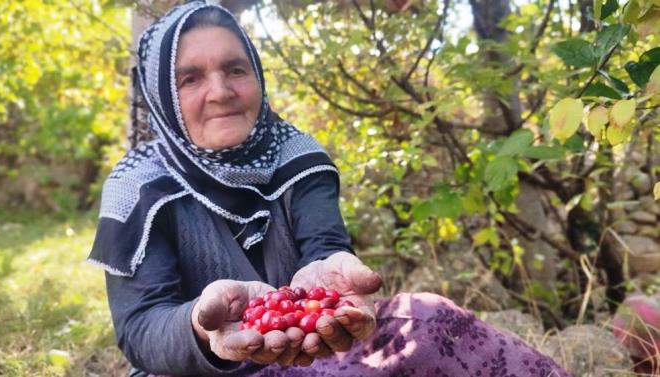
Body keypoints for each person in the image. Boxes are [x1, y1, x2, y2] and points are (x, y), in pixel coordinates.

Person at [88, 2, 571, 376]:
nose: (220, 91)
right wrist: (200, 325)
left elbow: (324, 252)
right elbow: (139, 328)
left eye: (236, 69)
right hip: (195, 370)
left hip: (309, 356)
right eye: (190, 78)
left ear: (256, 74)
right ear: (161, 96)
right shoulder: (137, 187)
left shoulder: (298, 158)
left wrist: (329, 277)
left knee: (427, 320)